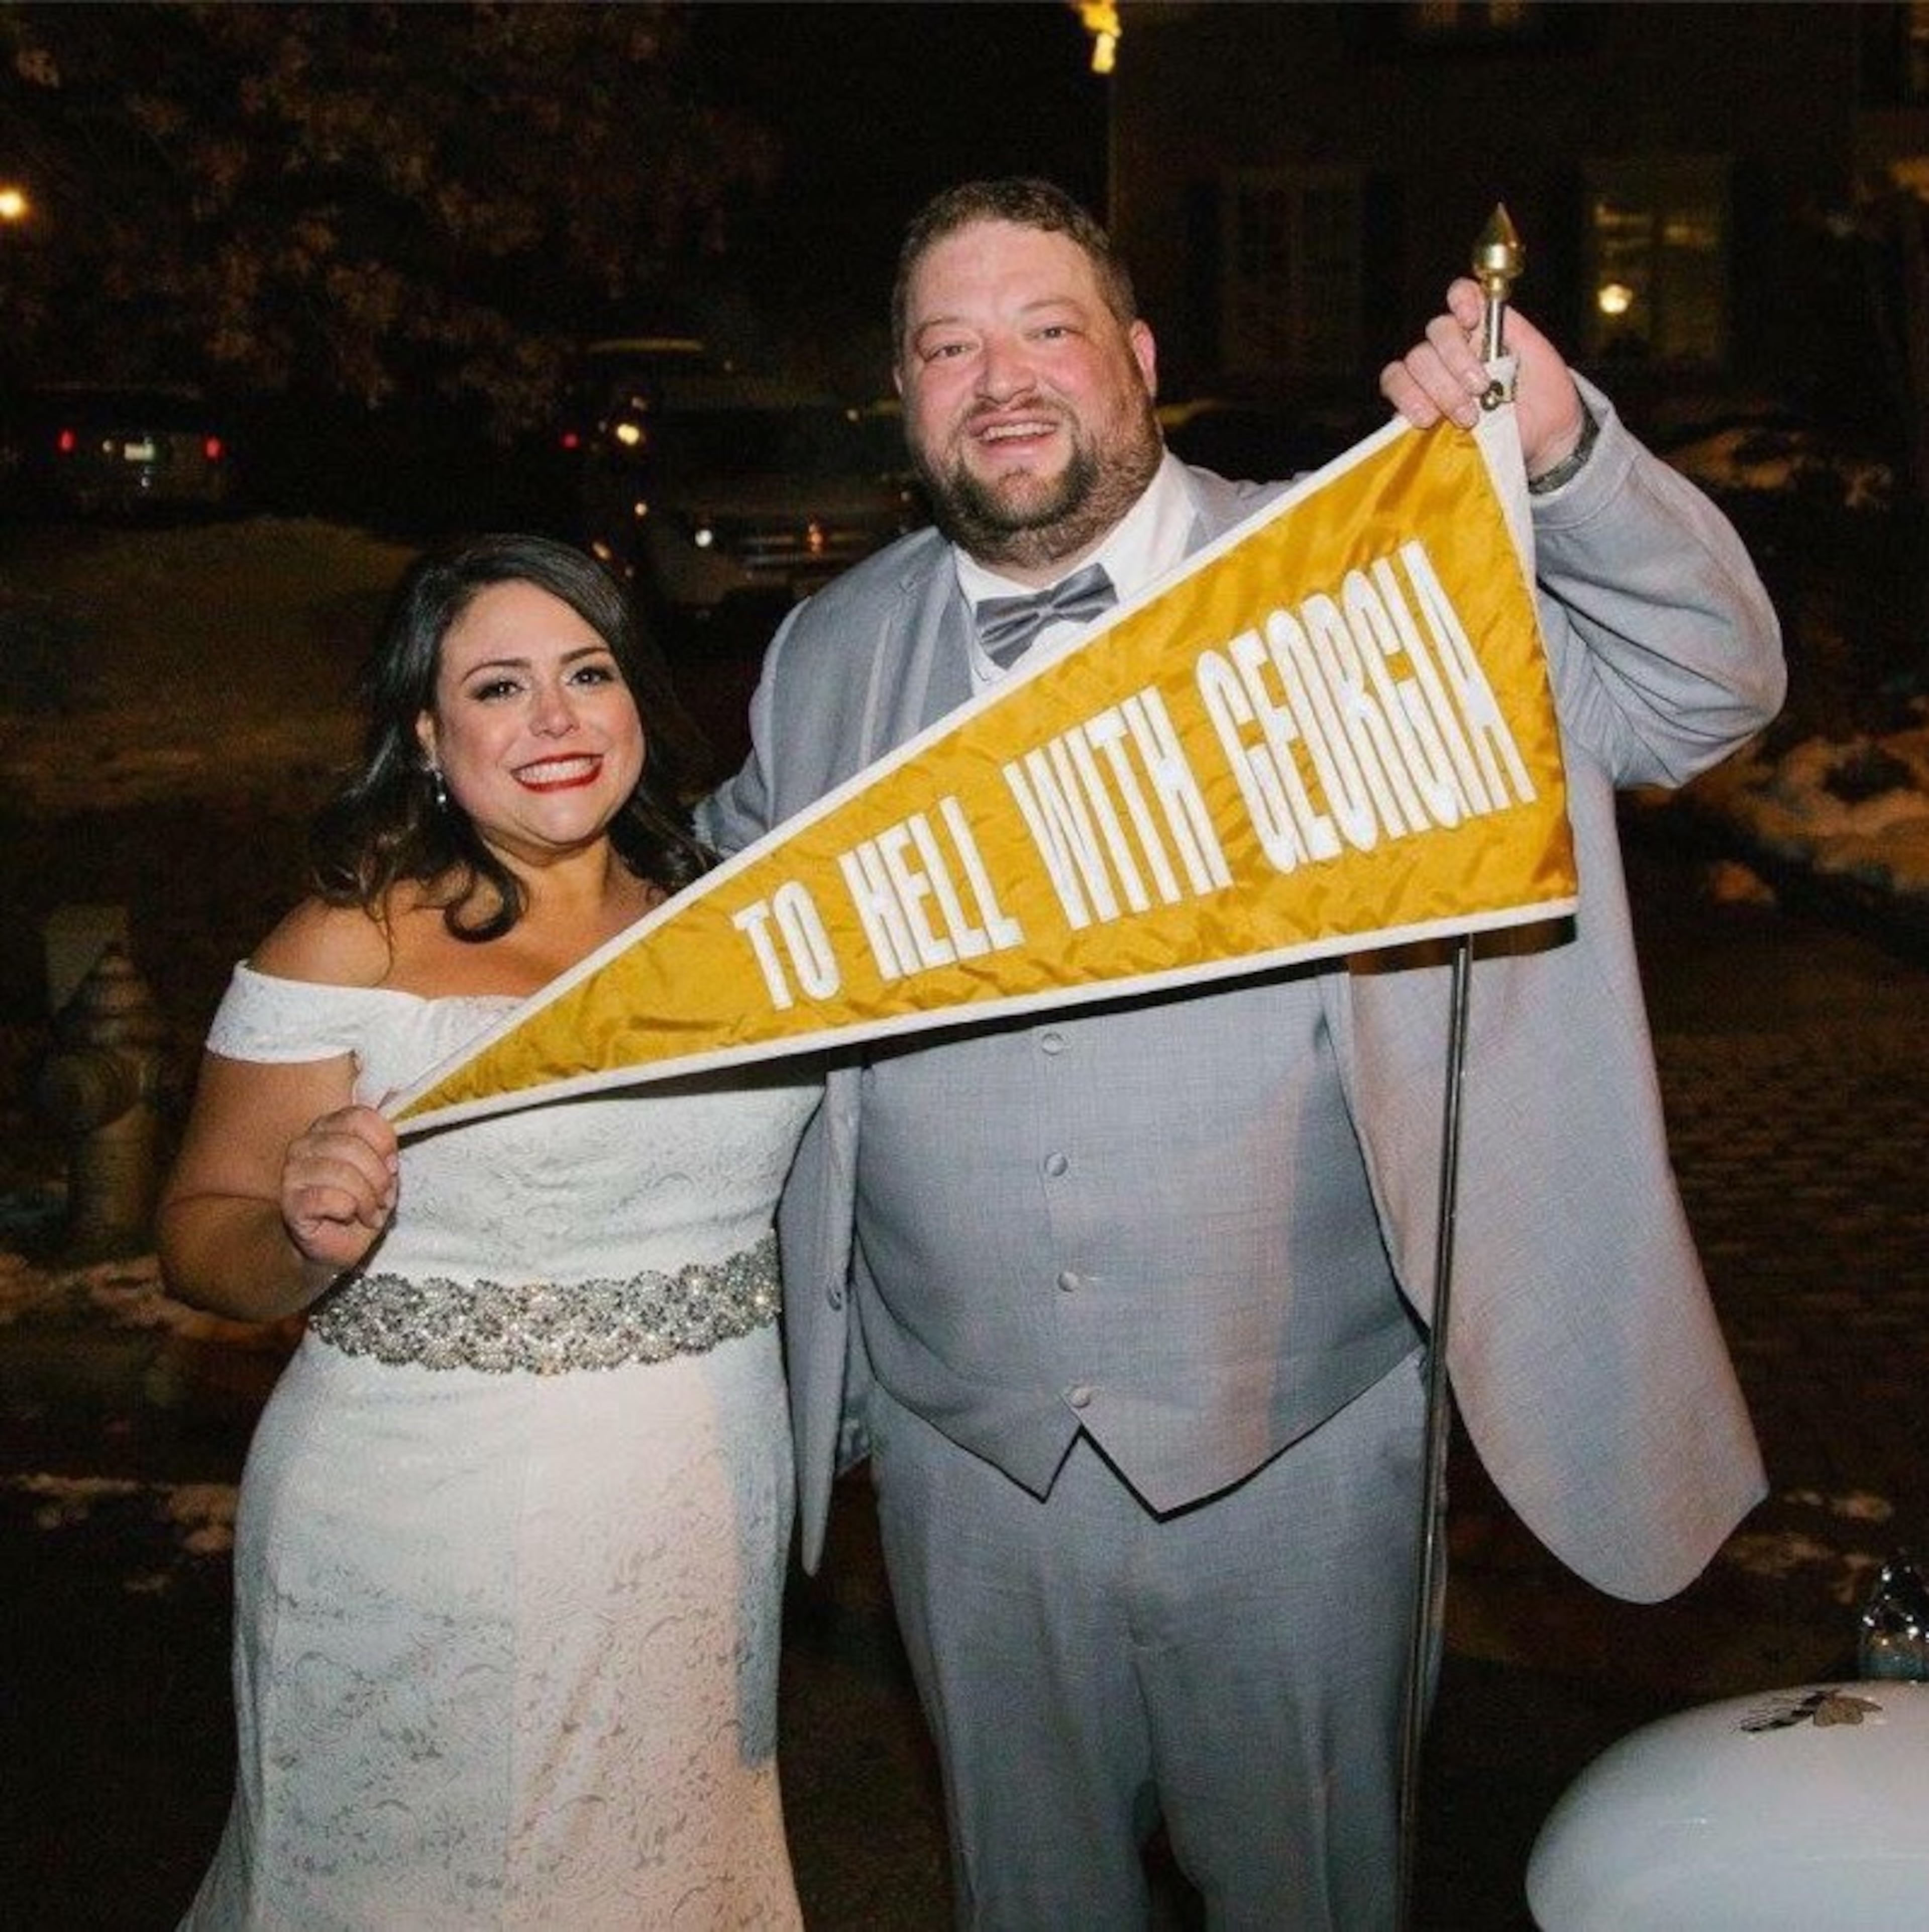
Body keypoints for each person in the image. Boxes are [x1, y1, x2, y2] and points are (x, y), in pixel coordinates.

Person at [700, 178, 1783, 1928]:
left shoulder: (1355, 579)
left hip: (1299, 1453)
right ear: (902, 398)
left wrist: (1569, 455)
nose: (1003, 380)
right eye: (949, 346)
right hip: (962, 1467)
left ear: (1136, 359)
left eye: (1048, 328)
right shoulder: (824, 654)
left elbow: (1701, 690)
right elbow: (727, 915)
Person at [158, 533, 819, 1929]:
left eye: (586, 672)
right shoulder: (350, 944)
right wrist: (299, 1236)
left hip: (697, 1511)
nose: (557, 721)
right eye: (500, 688)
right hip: (417, 1527)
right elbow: (198, 1238)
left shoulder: (738, 926)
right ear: (426, 732)